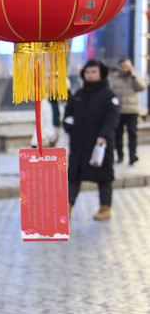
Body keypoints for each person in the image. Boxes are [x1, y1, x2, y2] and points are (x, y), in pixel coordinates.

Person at [63, 59, 120, 221]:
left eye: (94, 72)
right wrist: (70, 128)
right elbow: (68, 114)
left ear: (101, 73)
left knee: (104, 177)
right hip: (79, 144)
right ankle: (68, 205)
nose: (90, 75)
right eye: (87, 72)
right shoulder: (79, 94)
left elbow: (112, 118)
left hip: (99, 144)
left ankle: (105, 207)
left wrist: (104, 136)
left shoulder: (108, 95)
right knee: (74, 175)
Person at [108, 57, 145, 165]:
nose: (125, 69)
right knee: (118, 134)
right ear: (119, 67)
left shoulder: (135, 76)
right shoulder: (114, 77)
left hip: (132, 110)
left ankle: (132, 155)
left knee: (132, 133)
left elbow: (142, 87)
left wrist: (134, 77)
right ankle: (120, 155)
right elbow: (109, 90)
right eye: (123, 67)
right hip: (118, 110)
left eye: (128, 66)